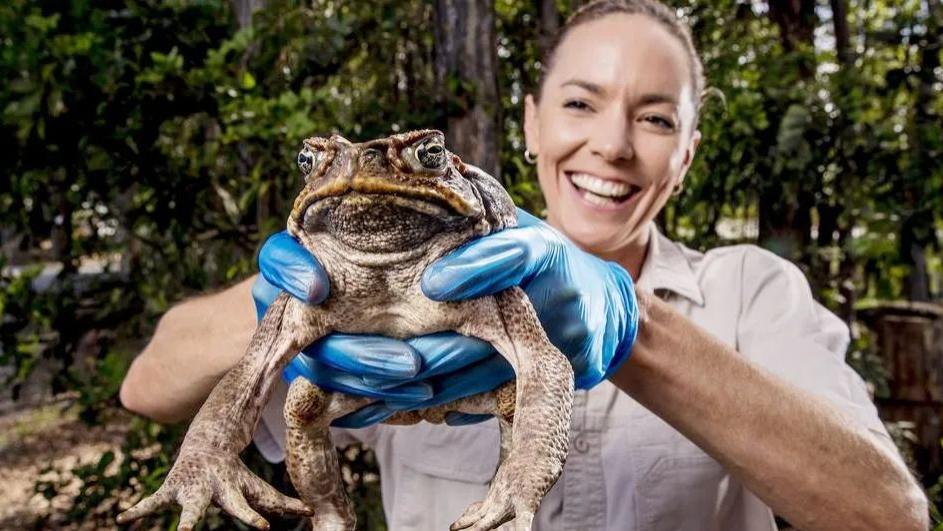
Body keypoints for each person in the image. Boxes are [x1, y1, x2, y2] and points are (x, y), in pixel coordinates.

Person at [119, 1, 929, 529]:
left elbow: (888, 513)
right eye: (580, 103)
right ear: (532, 123)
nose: (610, 144)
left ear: (686, 154)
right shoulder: (360, 283)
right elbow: (148, 386)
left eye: (653, 118)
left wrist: (634, 331)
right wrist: (292, 292)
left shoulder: (752, 288)